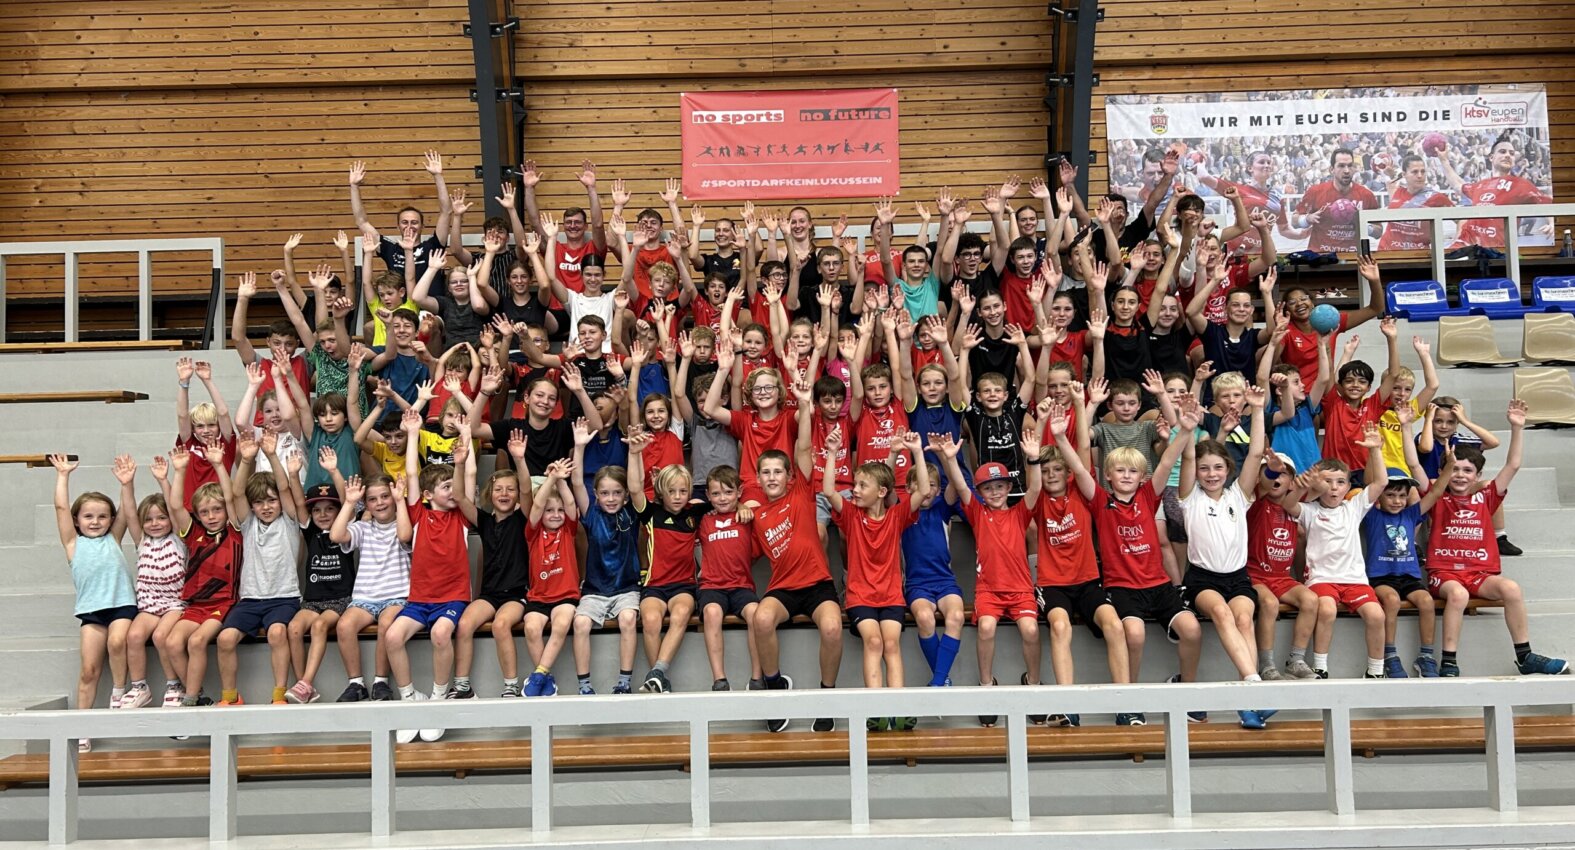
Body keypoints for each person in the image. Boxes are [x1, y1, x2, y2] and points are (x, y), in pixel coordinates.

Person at [1057, 393, 1200, 726]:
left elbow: (1165, 463)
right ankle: (1129, 699)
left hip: (1159, 585)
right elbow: (1079, 468)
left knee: (1192, 630)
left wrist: (1186, 431)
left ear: (1141, 477)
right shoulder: (1100, 501)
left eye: (1132, 472)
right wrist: (1062, 437)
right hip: (1123, 589)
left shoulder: (1149, 496)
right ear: (1109, 476)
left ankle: (1189, 691)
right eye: (1119, 470)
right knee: (1133, 634)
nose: (1125, 475)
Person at [1424, 400, 1567, 676]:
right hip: (1445, 574)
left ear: (1478, 476)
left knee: (1511, 588)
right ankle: (1449, 661)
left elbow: (1513, 465)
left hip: (1479, 573)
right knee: (1457, 593)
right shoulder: (1437, 498)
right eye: (1454, 469)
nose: (1460, 475)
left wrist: (1516, 427)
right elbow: (1418, 472)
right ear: (1444, 473)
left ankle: (1525, 657)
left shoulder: (1485, 497)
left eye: (1467, 471)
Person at [1175, 385, 1278, 728]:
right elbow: (1188, 457)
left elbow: (1254, 454)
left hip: (1238, 578)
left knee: (1244, 619)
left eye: (1218, 467)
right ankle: (1253, 688)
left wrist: (1259, 409)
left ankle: (1248, 703)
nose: (1211, 474)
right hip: (1203, 579)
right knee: (1221, 613)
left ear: (1227, 469)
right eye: (1205, 469)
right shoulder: (1190, 497)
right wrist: (1188, 427)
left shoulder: (1238, 494)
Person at [930, 429, 1043, 729]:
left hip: (1020, 590)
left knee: (1031, 630)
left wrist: (1033, 460)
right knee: (987, 626)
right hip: (989, 591)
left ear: (1008, 487)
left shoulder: (1019, 514)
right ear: (981, 492)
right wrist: (951, 460)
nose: (995, 492)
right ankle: (986, 686)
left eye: (1000, 486)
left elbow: (1034, 492)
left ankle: (1033, 683)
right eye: (988, 488)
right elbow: (960, 487)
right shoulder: (978, 513)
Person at [823, 427, 927, 732]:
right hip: (860, 597)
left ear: (881, 492)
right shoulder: (852, 516)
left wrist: (916, 451)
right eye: (855, 484)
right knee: (873, 640)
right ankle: (876, 707)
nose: (854, 489)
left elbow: (921, 491)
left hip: (892, 596)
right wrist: (832, 453)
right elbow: (829, 490)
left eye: (861, 485)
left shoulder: (896, 516)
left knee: (892, 644)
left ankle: (898, 707)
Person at [386, 409, 479, 744]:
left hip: (452, 598)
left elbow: (467, 479)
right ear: (427, 496)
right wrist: (413, 434)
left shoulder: (463, 517)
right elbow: (412, 474)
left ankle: (439, 696)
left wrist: (464, 446)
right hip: (419, 599)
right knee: (393, 637)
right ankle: (410, 699)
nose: (450, 491)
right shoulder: (418, 513)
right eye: (443, 487)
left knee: (442, 634)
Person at [1039, 403, 1130, 726]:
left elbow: (1080, 461)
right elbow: (1033, 469)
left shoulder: (1082, 493)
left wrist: (1080, 411)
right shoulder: (1038, 500)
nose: (1051, 476)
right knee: (1060, 626)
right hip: (1053, 585)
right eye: (1046, 471)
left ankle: (1126, 701)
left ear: (1067, 474)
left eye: (1056, 471)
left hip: (1089, 581)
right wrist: (1041, 424)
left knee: (1115, 625)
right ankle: (1068, 704)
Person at [749, 434, 844, 733]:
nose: (772, 477)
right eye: (766, 472)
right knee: (762, 619)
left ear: (790, 476)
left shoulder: (801, 493)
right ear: (758, 478)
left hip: (818, 584)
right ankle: (776, 687)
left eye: (778, 471)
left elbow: (803, 447)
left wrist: (804, 405)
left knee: (831, 627)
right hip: (783, 587)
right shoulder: (756, 515)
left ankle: (826, 697)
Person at [1278, 425, 1389, 678]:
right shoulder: (1310, 511)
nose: (1334, 488)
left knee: (1376, 615)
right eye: (1327, 482)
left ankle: (1375, 671)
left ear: (1348, 485)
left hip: (1355, 581)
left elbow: (1381, 482)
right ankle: (1320, 666)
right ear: (1318, 485)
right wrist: (1302, 487)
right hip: (1322, 579)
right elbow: (1288, 504)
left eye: (1340, 482)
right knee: (1326, 609)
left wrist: (1375, 451)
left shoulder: (1353, 507)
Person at [49, 454, 136, 751]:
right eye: (88, 516)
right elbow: (60, 507)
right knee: (88, 670)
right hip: (92, 612)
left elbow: (128, 510)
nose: (96, 522)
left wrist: (127, 483)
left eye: (102, 516)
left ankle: (120, 691)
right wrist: (63, 475)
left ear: (110, 520)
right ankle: (82, 726)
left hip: (122, 605)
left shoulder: (114, 537)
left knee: (117, 642)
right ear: (77, 520)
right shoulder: (73, 544)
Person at [214, 431, 306, 707]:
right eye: (260, 503)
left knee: (277, 633)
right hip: (251, 599)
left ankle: (279, 694)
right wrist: (246, 459)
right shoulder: (250, 523)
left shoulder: (289, 522)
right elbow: (237, 492)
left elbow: (285, 489)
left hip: (284, 597)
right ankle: (230, 696)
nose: (266, 507)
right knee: (225, 638)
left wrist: (273, 455)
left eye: (271, 500)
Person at [450, 432, 532, 699]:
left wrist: (519, 460)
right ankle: (463, 685)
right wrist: (459, 463)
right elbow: (460, 497)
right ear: (489, 493)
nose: (504, 494)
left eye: (510, 489)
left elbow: (528, 491)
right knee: (463, 624)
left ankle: (511, 685)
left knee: (500, 625)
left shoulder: (523, 518)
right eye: (498, 489)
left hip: (516, 594)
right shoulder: (484, 521)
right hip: (489, 594)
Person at [162, 442, 243, 709]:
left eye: (216, 510)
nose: (211, 516)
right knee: (173, 642)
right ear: (197, 515)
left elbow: (230, 498)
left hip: (222, 604)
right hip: (196, 605)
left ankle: (189, 701)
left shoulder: (234, 531)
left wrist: (220, 465)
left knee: (197, 641)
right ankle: (197, 697)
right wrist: (180, 471)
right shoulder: (194, 534)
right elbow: (175, 506)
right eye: (205, 512)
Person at [569, 418, 642, 696]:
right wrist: (578, 447)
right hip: (595, 590)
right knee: (581, 623)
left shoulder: (631, 513)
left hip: (626, 588)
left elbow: (637, 485)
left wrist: (634, 453)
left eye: (616, 493)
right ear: (596, 495)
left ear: (624, 496)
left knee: (626, 620)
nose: (610, 498)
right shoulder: (591, 513)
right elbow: (577, 481)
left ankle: (624, 682)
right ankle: (584, 686)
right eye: (604, 493)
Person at [629, 437, 707, 694]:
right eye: (671, 491)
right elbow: (634, 488)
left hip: (684, 586)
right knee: (650, 620)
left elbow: (724, 501)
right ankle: (658, 679)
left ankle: (656, 675)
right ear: (661, 491)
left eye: (683, 491)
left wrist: (741, 505)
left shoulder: (694, 514)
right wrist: (634, 453)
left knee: (682, 614)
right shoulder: (651, 513)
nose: (677, 497)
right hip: (654, 586)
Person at [329, 474, 412, 703]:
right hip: (365, 598)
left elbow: (405, 535)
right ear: (366, 504)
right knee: (344, 625)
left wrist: (401, 500)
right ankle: (356, 684)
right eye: (373, 499)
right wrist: (349, 502)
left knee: (387, 623)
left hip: (397, 596)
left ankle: (380, 682)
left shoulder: (404, 523)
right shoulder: (363, 528)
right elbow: (336, 535)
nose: (380, 503)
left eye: (385, 496)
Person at [1245, 452, 1323, 680]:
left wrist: (1312, 479)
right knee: (1269, 604)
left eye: (1285, 474)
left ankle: (1295, 660)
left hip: (1282, 577)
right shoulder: (1255, 504)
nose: (1277, 478)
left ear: (1292, 481)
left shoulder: (1296, 508)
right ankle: (1267, 665)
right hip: (1254, 575)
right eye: (1271, 473)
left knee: (1310, 600)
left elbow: (1318, 489)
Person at [120, 454, 188, 711]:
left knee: (161, 636)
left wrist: (163, 480)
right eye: (148, 519)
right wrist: (127, 484)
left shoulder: (180, 539)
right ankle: (140, 687)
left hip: (175, 603)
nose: (154, 523)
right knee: (135, 635)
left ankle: (174, 686)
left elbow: (174, 507)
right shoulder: (142, 541)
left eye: (160, 518)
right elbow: (129, 513)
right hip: (149, 604)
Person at [285, 477, 357, 704]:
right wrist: (294, 474)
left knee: (319, 626)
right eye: (317, 510)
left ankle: (305, 682)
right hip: (313, 600)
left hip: (340, 599)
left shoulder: (345, 531)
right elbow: (298, 502)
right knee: (295, 627)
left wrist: (334, 471)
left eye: (329, 509)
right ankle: (303, 685)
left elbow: (349, 504)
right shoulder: (310, 532)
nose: (323, 515)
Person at [522, 459, 581, 697]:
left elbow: (569, 502)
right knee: (531, 628)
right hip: (538, 596)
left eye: (558, 511)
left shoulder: (568, 529)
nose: (556, 515)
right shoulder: (533, 533)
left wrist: (561, 480)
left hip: (566, 595)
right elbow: (536, 505)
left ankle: (538, 675)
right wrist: (550, 479)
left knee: (561, 624)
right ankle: (547, 679)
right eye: (550, 510)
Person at [349, 152, 452, 282]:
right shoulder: (391, 249)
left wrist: (438, 176)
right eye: (404, 222)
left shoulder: (433, 246)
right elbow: (361, 222)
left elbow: (446, 211)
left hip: (429, 301)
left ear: (422, 226)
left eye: (414, 222)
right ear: (398, 226)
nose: (409, 226)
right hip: (400, 303)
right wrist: (354, 187)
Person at [1439, 134, 1554, 250]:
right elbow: (1458, 185)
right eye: (1503, 152)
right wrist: (1444, 161)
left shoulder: (1520, 184)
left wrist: (1552, 222)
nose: (1508, 155)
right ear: (1491, 157)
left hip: (1494, 250)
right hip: (1464, 245)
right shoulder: (1481, 185)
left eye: (1511, 153)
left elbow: (1545, 201)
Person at [1281, 148, 1379, 254]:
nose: (1346, 170)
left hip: (1353, 258)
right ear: (1331, 169)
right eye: (1341, 166)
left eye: (1350, 166)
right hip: (1320, 258)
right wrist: (1307, 219)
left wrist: (1362, 224)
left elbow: (1378, 232)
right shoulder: (1315, 191)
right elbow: (1294, 222)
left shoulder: (1366, 195)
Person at [173, 356, 237, 510]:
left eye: (211, 425)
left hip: (221, 511)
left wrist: (207, 380)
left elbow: (223, 413)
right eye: (200, 426)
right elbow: (182, 416)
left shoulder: (225, 445)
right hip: (190, 512)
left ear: (219, 427)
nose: (206, 431)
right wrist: (184, 383)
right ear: (193, 429)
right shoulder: (188, 445)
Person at [1374, 153, 1456, 251]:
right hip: (1386, 252)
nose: (1420, 176)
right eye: (1415, 172)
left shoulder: (1436, 197)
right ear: (1404, 174)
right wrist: (1390, 172)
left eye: (1423, 171)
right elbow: (1392, 178)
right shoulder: (1396, 190)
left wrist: (1457, 243)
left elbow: (1462, 220)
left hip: (1417, 256)